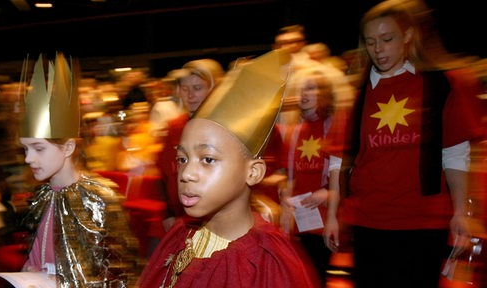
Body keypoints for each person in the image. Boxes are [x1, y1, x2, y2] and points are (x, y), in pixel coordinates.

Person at [326, 1, 487, 287]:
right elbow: (342, 160)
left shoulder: (442, 84)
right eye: (371, 41)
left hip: (423, 222)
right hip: (367, 220)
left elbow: (455, 154)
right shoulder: (356, 92)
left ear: (409, 36)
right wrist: (333, 216)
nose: (378, 49)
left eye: (387, 39)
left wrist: (463, 212)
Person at [136, 49, 320, 288]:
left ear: (253, 172)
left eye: (208, 159)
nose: (187, 174)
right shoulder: (179, 236)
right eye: (182, 159)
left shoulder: (268, 263)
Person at [17, 53, 140, 287]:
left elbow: (116, 273)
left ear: (68, 147)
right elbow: (36, 253)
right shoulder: (41, 196)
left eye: (38, 148)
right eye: (25, 149)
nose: (28, 158)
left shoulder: (98, 199)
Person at [263, 67, 341, 286]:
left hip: (324, 218)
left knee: (318, 275)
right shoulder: (295, 130)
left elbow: (343, 174)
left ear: (323, 92)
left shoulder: (333, 125)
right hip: (299, 219)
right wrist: (283, 194)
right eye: (302, 89)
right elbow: (287, 174)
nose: (304, 94)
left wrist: (327, 193)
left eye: (311, 88)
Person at [156, 59, 224, 232]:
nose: (190, 95)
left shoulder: (223, 129)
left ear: (213, 89)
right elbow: (165, 176)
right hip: (181, 222)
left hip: (213, 222)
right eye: (185, 89)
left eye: (197, 88)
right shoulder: (175, 127)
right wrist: (169, 213)